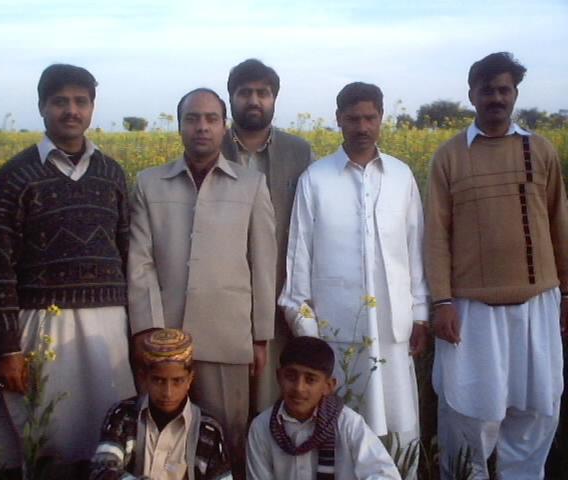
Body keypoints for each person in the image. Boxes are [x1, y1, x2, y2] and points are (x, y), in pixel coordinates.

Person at [0, 64, 136, 477]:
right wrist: (7, 348)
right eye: (60, 101)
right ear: (41, 107)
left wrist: (135, 330)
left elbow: (128, 254)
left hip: (107, 328)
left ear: (92, 108)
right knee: (46, 439)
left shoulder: (112, 173)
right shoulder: (16, 175)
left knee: (110, 438)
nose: (71, 111)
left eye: (81, 101)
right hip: (41, 328)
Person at [425, 52, 567, 479]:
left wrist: (566, 294)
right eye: (487, 90)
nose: (496, 98)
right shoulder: (449, 156)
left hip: (537, 305)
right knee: (469, 411)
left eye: (504, 90)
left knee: (536, 410)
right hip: (472, 311)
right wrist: (442, 301)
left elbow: (560, 223)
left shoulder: (540, 150)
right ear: (472, 94)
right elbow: (436, 234)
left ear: (515, 94)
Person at [278, 82, 429, 475]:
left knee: (399, 427)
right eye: (353, 118)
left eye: (370, 118)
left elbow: (414, 249)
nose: (362, 127)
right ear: (339, 120)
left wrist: (420, 314)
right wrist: (307, 330)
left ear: (381, 118)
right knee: (341, 430)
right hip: (336, 335)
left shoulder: (400, 176)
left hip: (393, 330)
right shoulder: (316, 179)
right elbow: (299, 255)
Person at [127, 87, 277, 477]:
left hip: (228, 337)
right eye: (192, 118)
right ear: (179, 126)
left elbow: (263, 265)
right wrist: (147, 329)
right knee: (158, 441)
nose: (202, 127)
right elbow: (140, 263)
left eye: (211, 119)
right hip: (163, 340)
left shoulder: (250, 184)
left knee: (227, 439)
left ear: (225, 126)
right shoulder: (149, 184)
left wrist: (260, 336)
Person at [222, 59, 315, 412]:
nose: (254, 100)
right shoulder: (211, 146)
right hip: (223, 290)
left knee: (275, 394)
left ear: (275, 98)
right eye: (245, 92)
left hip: (280, 291)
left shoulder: (299, 153)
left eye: (263, 93)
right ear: (231, 97)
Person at [246, 336, 401, 479]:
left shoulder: (348, 424)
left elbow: (387, 475)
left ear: (328, 386)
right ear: (279, 377)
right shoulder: (262, 427)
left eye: (310, 379)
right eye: (291, 376)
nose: (299, 388)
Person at [90, 328, 232, 480]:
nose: (168, 392)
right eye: (158, 380)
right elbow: (101, 469)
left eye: (177, 381)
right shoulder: (123, 415)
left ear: (190, 380)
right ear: (144, 377)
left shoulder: (208, 430)